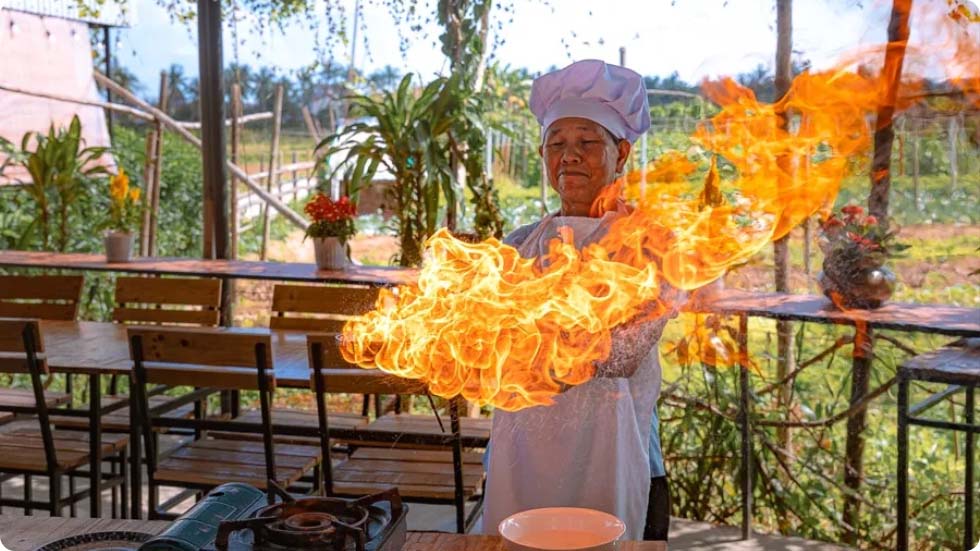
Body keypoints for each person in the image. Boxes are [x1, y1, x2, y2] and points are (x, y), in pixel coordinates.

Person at [483, 59, 677, 542]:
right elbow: (487, 342)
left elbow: (624, 353)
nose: (569, 156)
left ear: (622, 152)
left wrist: (535, 352)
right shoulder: (518, 244)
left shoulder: (649, 245)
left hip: (615, 455)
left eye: (587, 142)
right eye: (556, 144)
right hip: (519, 457)